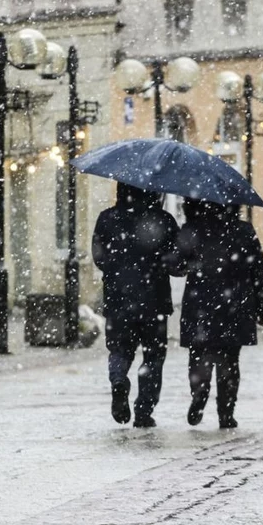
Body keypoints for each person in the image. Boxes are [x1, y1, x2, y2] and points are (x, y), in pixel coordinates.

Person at [92, 183, 182, 428]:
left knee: (119, 350)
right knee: (153, 357)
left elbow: (99, 258)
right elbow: (177, 265)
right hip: (155, 302)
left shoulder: (107, 219)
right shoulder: (163, 220)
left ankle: (119, 379)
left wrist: (119, 269)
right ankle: (144, 410)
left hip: (118, 300)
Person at [177, 200, 263, 430]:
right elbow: (258, 270)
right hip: (235, 306)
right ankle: (226, 413)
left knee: (199, 356)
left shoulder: (192, 230)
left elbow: (175, 266)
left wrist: (188, 257)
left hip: (200, 305)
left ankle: (199, 394)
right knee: (229, 360)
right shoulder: (243, 230)